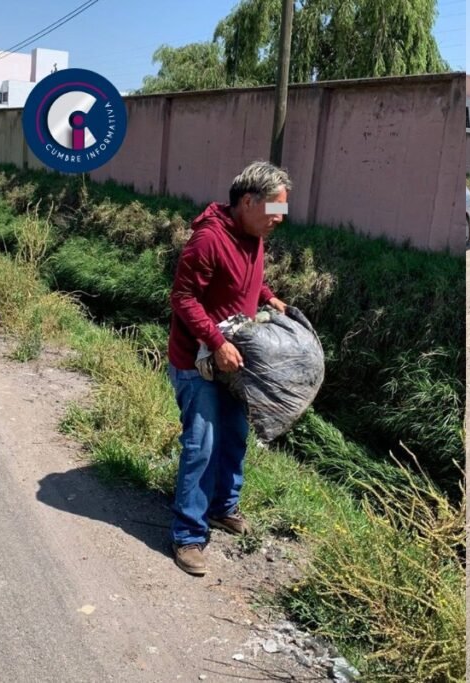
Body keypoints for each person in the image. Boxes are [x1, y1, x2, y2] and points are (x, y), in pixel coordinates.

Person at [166, 160, 292, 575]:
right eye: (275, 208)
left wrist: (268, 297)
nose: (279, 218)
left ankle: (222, 507)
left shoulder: (254, 234)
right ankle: (188, 535)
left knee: (235, 436)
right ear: (249, 201)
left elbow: (245, 278)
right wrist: (217, 342)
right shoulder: (208, 240)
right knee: (201, 445)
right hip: (199, 362)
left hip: (233, 363)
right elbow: (183, 298)